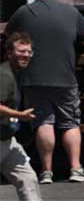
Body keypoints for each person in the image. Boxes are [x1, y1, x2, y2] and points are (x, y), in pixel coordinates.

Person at [4, 0, 84, 184]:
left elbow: (9, 33)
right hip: (65, 77)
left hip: (34, 79)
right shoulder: (70, 12)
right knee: (70, 123)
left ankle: (46, 172)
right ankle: (75, 168)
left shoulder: (24, 12)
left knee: (43, 123)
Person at [1, 32, 42, 200]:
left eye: (28, 52)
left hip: (7, 141)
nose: (26, 55)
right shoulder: (4, 75)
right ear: (9, 53)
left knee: (28, 179)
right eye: (21, 51)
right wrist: (19, 115)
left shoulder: (15, 73)